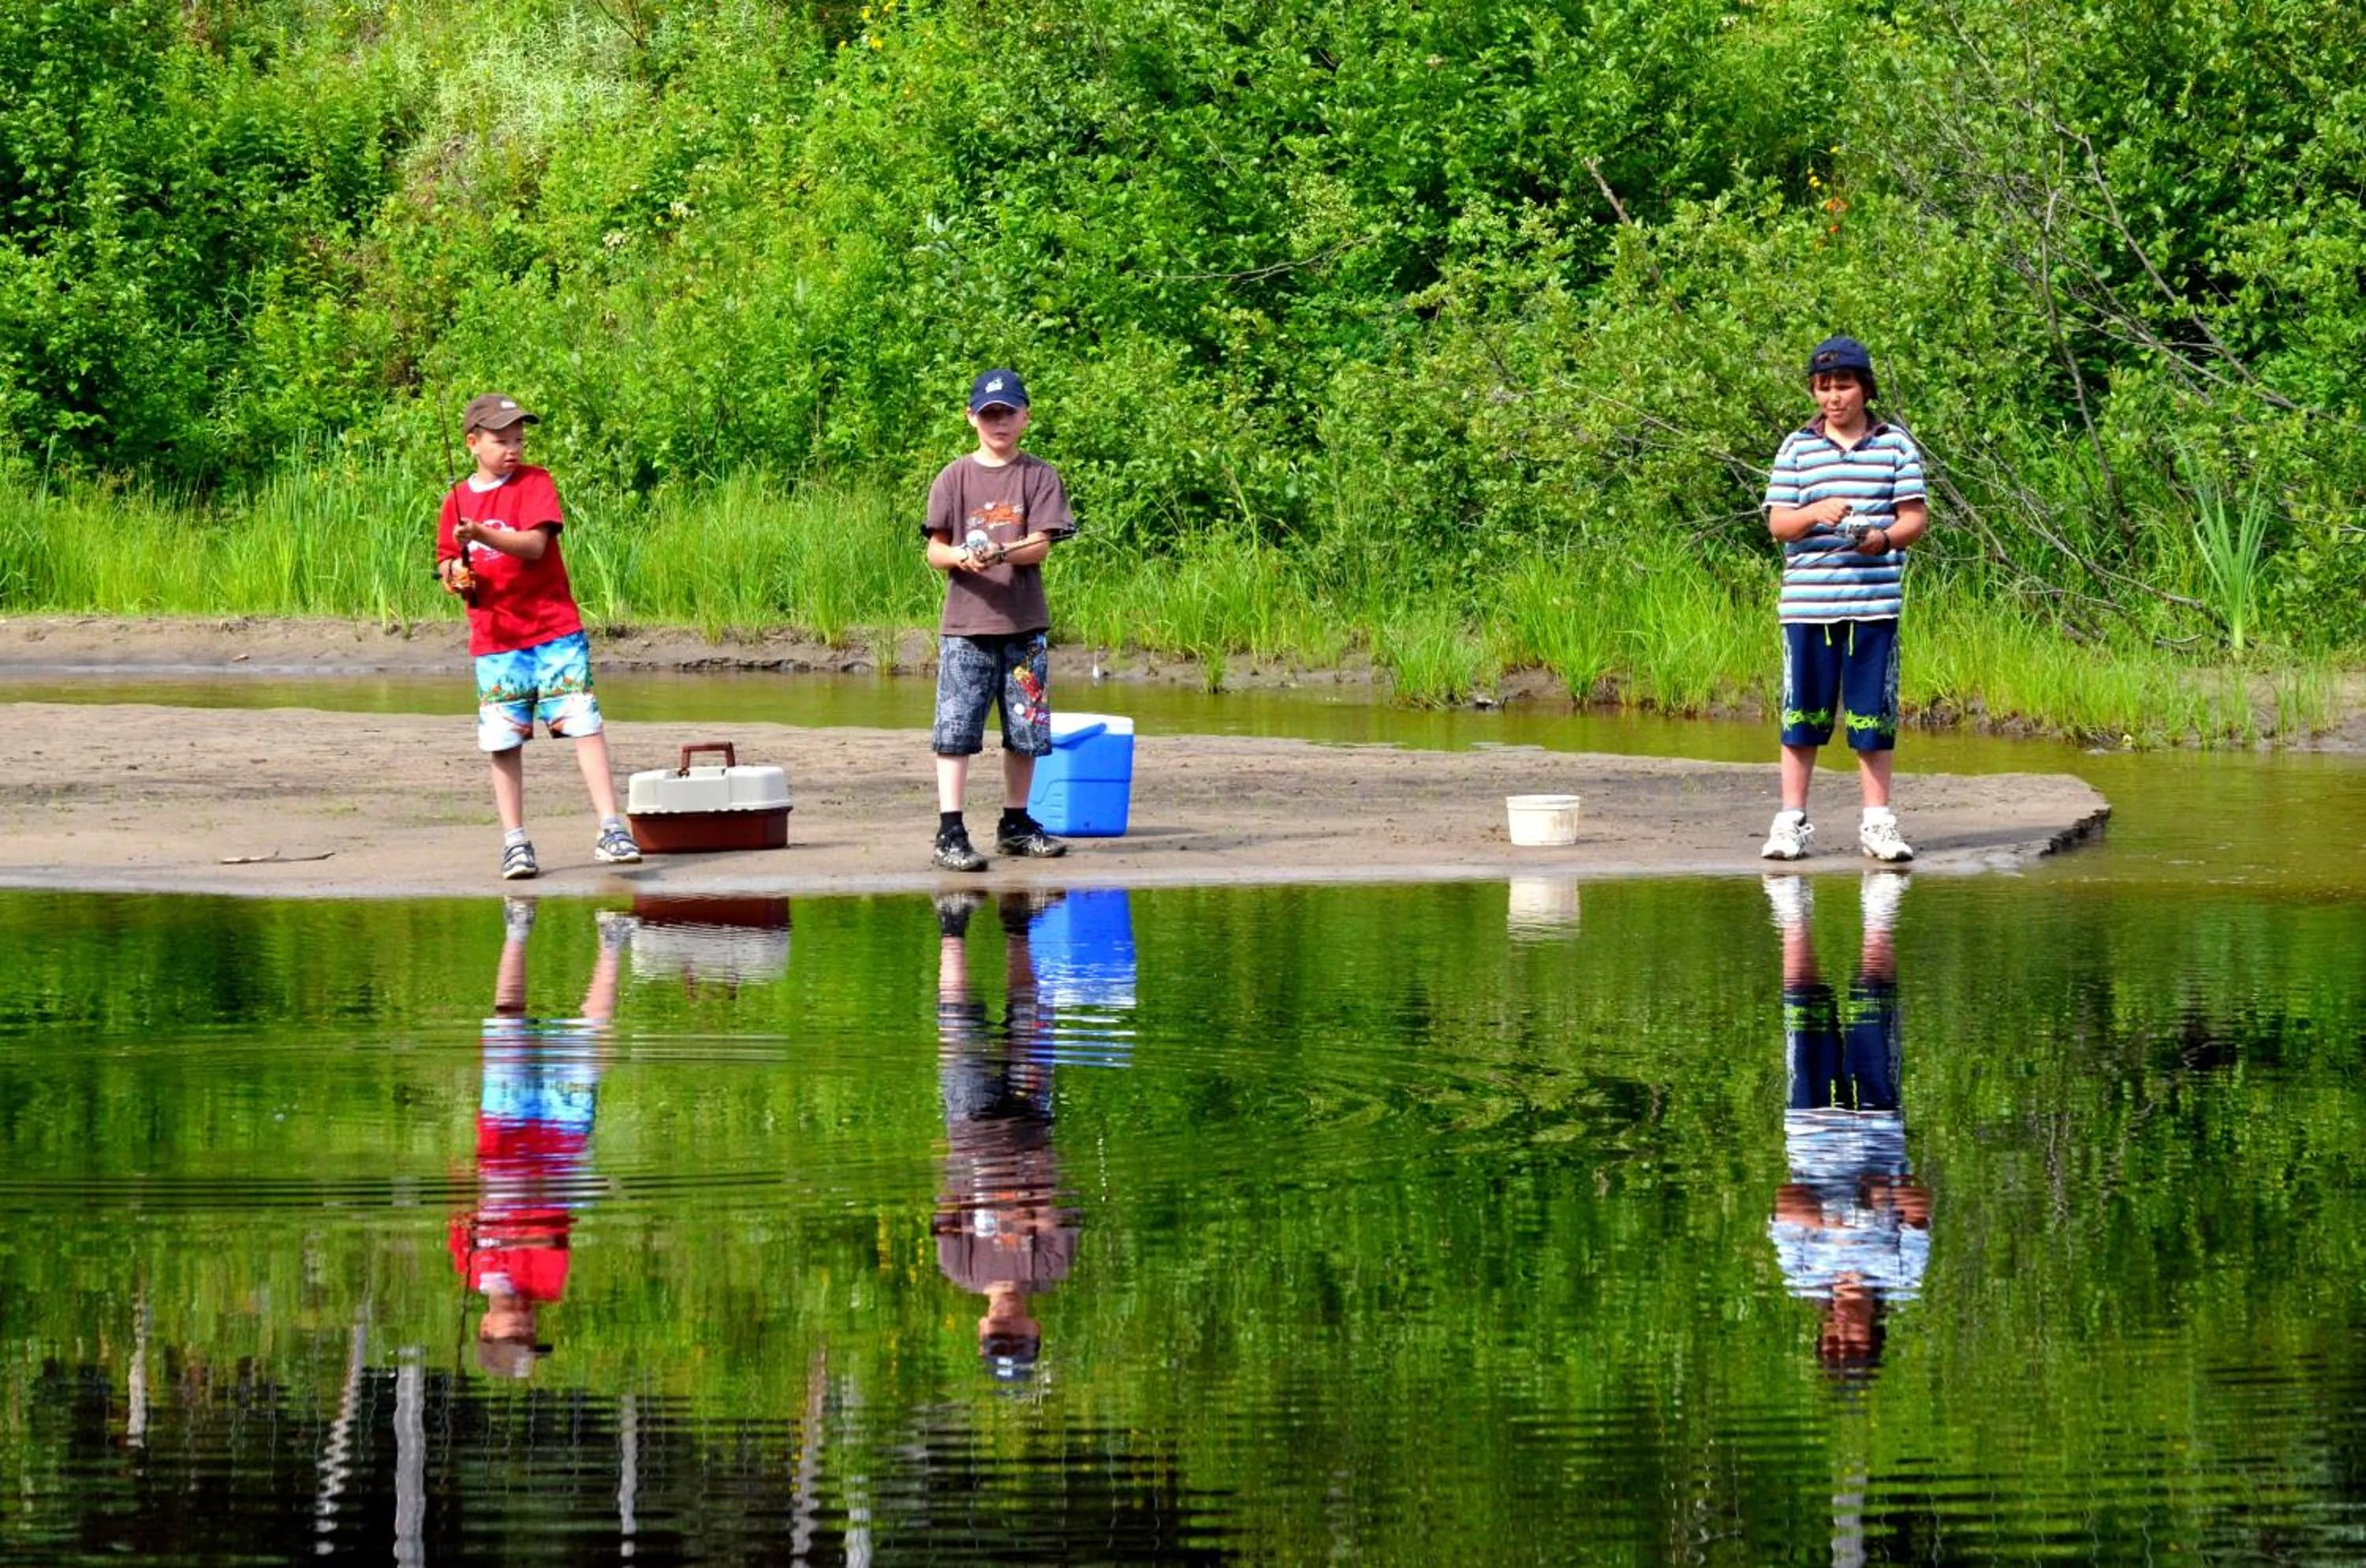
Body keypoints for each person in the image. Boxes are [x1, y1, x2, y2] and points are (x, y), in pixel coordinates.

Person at [435, 393, 640, 881]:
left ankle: (611, 829)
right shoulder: (456, 500)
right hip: (496, 640)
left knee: (583, 724)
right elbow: (446, 560)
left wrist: (481, 534)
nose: (513, 449)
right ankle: (515, 843)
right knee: (503, 741)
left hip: (554, 630)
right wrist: (454, 576)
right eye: (501, 441)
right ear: (472, 443)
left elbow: (533, 545)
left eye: (519, 439)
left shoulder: (535, 482)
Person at [1760, 337, 1928, 864]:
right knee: (1801, 717)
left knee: (1872, 719)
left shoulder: (1896, 446)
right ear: (1814, 391)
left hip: (1874, 605)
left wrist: (1882, 539)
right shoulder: (1796, 447)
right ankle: (1791, 823)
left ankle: (1878, 824)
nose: (1834, 397)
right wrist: (1815, 512)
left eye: (1844, 386)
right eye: (1824, 387)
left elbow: (1914, 519)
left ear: (1865, 389)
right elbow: (1778, 524)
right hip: (1807, 606)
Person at [450, 899, 629, 1377]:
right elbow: (550, 1234)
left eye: (516, 1336)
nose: (526, 1327)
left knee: (507, 1024)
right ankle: (613, 942)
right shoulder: (548, 1286)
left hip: (502, 1131)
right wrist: (510, 1229)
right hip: (561, 1142)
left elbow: (461, 1208)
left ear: (486, 1326)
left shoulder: (468, 1267)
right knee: (588, 1045)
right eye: (530, 1336)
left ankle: (518, 929)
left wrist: (469, 1192)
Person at [1762, 872, 1931, 1382]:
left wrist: (1834, 1219)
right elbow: (1919, 1204)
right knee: (1871, 1003)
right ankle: (1879, 908)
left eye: (1830, 1343)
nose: (1839, 1333)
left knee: (1803, 1005)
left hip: (1811, 1128)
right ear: (1872, 1337)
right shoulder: (1901, 1277)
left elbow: (1784, 1201)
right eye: (1850, 1345)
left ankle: (1792, 911)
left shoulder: (1803, 1276)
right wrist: (1882, 1195)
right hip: (1877, 1125)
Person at [920, 369, 1077, 872]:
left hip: (1024, 625)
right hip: (965, 625)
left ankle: (1016, 823)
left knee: (1027, 730)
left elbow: (1042, 545)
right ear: (972, 418)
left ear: (1025, 416)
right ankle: (950, 830)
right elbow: (935, 550)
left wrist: (999, 552)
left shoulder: (1039, 476)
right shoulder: (953, 477)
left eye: (1008, 413)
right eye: (989, 414)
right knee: (955, 730)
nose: (999, 422)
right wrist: (960, 556)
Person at [931, 890, 1080, 1380]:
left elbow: (947, 1204)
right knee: (1028, 1013)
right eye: (1016, 1338)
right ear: (1035, 1330)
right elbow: (1053, 1201)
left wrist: (1010, 1201)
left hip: (969, 1126)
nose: (1007, 1326)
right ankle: (1017, 925)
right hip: (1031, 1123)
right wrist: (1022, 1204)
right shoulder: (1051, 1269)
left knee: (958, 1023)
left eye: (999, 1337)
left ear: (981, 1330)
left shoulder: (960, 1269)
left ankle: (953, 926)